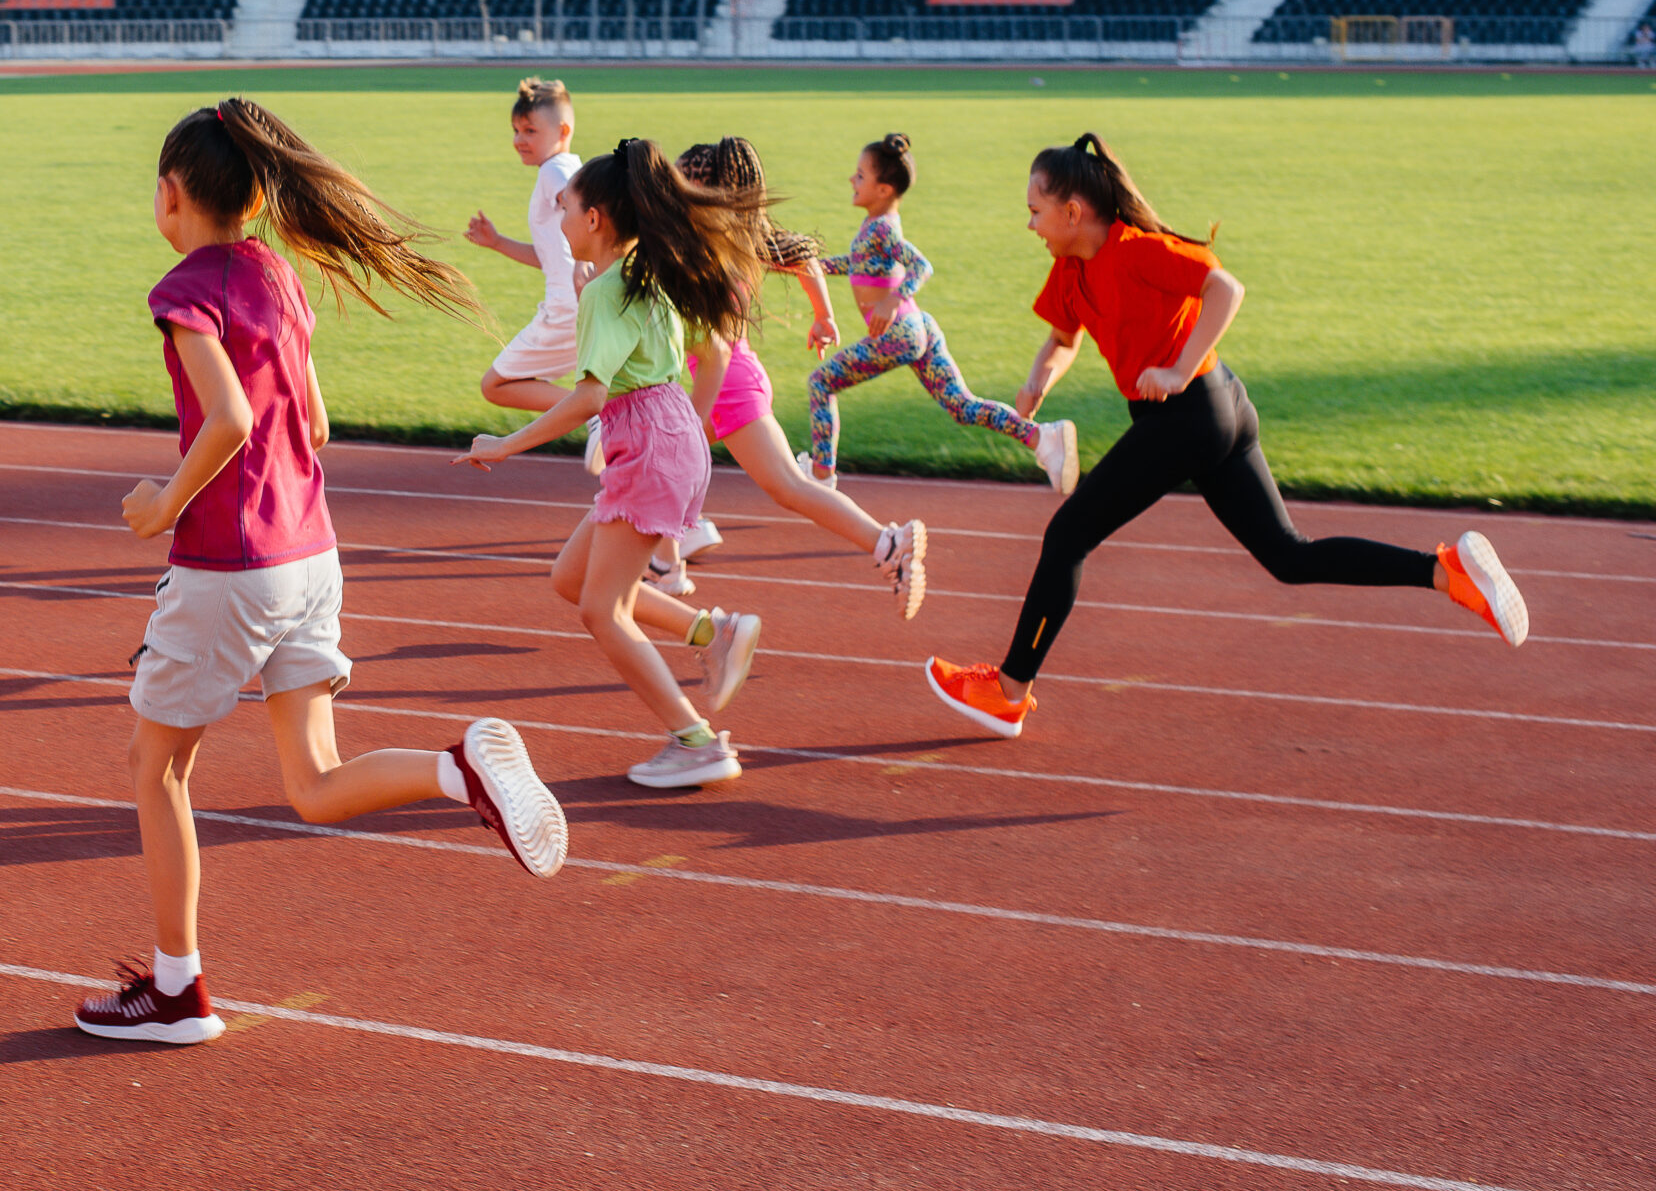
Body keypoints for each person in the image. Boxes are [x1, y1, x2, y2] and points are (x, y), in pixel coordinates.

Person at [75, 98, 568, 1047]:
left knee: (157, 768)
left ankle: (176, 990)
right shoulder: (277, 276)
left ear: (171, 195)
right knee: (313, 779)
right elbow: (317, 423)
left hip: (230, 564)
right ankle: (452, 764)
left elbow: (229, 422)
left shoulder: (186, 292)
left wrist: (162, 503)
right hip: (311, 552)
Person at [925, 133, 1528, 738]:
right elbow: (1063, 338)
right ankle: (1447, 572)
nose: (1029, 224)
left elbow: (1225, 289)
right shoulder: (1070, 268)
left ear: (1073, 212)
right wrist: (1036, 385)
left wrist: (1178, 368)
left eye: (1035, 210)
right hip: (1216, 411)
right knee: (1289, 556)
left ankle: (1008, 692)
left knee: (1067, 536)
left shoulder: (1136, 251)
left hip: (1189, 413)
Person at [454, 139, 770, 791]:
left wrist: (505, 445)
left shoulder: (606, 292)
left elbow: (590, 397)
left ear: (594, 219)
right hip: (668, 435)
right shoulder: (641, 274)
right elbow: (707, 351)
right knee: (573, 578)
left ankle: (696, 741)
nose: (559, 221)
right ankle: (711, 631)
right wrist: (692, 430)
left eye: (564, 208)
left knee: (602, 610)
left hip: (647, 444)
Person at [646, 139, 930, 619]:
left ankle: (888, 543)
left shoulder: (704, 246)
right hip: (724, 381)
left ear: (703, 192)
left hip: (728, 387)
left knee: (787, 487)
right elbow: (806, 260)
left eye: (681, 185)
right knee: (661, 462)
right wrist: (823, 316)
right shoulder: (738, 237)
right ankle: (666, 563)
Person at [805, 133, 1078, 496]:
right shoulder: (875, 227)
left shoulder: (884, 227)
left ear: (884, 189)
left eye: (860, 175)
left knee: (821, 383)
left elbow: (921, 265)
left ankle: (821, 476)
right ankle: (1043, 437)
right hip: (918, 328)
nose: (851, 181)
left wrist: (891, 301)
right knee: (962, 406)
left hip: (898, 334)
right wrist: (803, 264)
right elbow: (855, 264)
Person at [467, 76, 586, 417]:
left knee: (496, 385)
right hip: (584, 304)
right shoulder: (570, 168)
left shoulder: (554, 171)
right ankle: (599, 414)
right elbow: (552, 257)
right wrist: (498, 242)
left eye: (530, 131)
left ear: (562, 132)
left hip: (566, 308)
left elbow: (579, 205)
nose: (519, 140)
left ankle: (595, 413)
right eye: (516, 130)